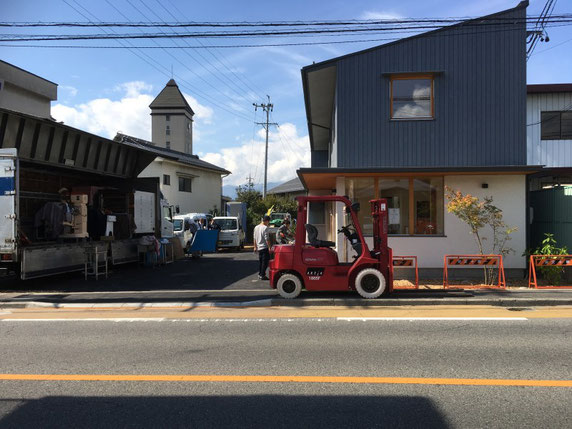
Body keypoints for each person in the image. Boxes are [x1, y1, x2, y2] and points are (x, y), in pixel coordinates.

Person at [253, 215, 271, 280]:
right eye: (268, 222)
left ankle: (260, 274)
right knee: (265, 262)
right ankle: (262, 275)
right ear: (267, 221)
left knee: (261, 262)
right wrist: (269, 247)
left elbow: (254, 238)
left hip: (259, 247)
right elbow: (267, 239)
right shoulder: (265, 228)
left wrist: (255, 247)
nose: (268, 223)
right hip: (264, 247)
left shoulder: (256, 227)